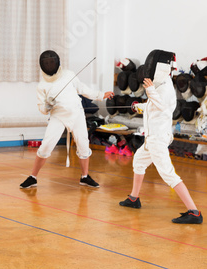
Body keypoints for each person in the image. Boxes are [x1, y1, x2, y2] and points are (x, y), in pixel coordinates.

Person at [119, 49, 203, 224]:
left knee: (168, 174)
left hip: (158, 139)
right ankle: (134, 198)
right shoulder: (157, 86)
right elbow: (154, 107)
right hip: (152, 138)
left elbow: (164, 108)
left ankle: (194, 212)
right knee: (139, 162)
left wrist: (150, 92)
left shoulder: (165, 89)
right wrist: (140, 106)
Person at [19, 50, 114, 189]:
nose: (50, 65)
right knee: (46, 145)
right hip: (58, 116)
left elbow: (82, 89)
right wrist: (47, 105)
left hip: (77, 113)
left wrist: (100, 95)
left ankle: (85, 177)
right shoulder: (42, 85)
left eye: (52, 62)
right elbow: (42, 109)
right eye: (47, 63)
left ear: (57, 63)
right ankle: (33, 177)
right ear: (42, 65)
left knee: (83, 144)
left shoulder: (68, 75)